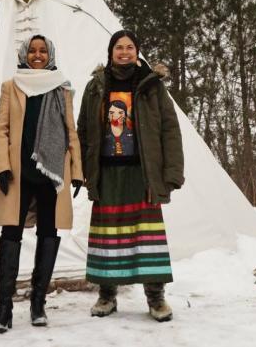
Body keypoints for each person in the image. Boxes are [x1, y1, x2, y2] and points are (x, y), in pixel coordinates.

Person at [77, 30, 184, 322]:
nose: (124, 52)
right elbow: (84, 129)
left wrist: (171, 174)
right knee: (106, 237)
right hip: (107, 173)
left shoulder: (152, 86)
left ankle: (156, 298)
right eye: (119, 48)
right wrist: (83, 171)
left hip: (143, 172)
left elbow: (169, 129)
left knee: (147, 237)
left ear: (137, 52)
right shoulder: (95, 87)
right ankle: (107, 296)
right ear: (111, 52)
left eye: (130, 47)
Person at [0, 35, 83, 333]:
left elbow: (71, 132)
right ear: (24, 54)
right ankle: (4, 308)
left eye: (43, 51)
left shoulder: (61, 88)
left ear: (50, 54)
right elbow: (1, 130)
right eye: (33, 50)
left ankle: (38, 302)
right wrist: (2, 167)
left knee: (48, 231)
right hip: (19, 174)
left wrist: (77, 170)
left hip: (51, 174)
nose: (38, 55)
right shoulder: (11, 86)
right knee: (11, 233)